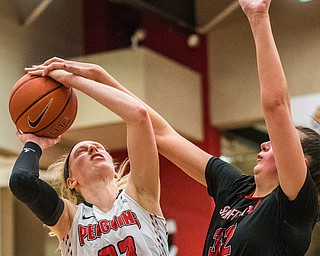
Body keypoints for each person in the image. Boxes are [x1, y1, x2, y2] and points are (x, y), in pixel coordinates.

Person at [29, 0, 320, 255]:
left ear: (301, 163)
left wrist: (258, 18)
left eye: (280, 144)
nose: (266, 144)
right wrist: (102, 78)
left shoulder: (293, 207)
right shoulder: (236, 189)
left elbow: (276, 107)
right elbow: (162, 134)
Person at [9, 65, 169, 255]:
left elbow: (138, 115)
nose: (93, 148)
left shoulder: (141, 196)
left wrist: (72, 80)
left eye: (99, 147)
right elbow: (22, 182)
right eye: (81, 152)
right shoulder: (70, 220)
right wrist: (34, 144)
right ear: (71, 181)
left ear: (115, 170)